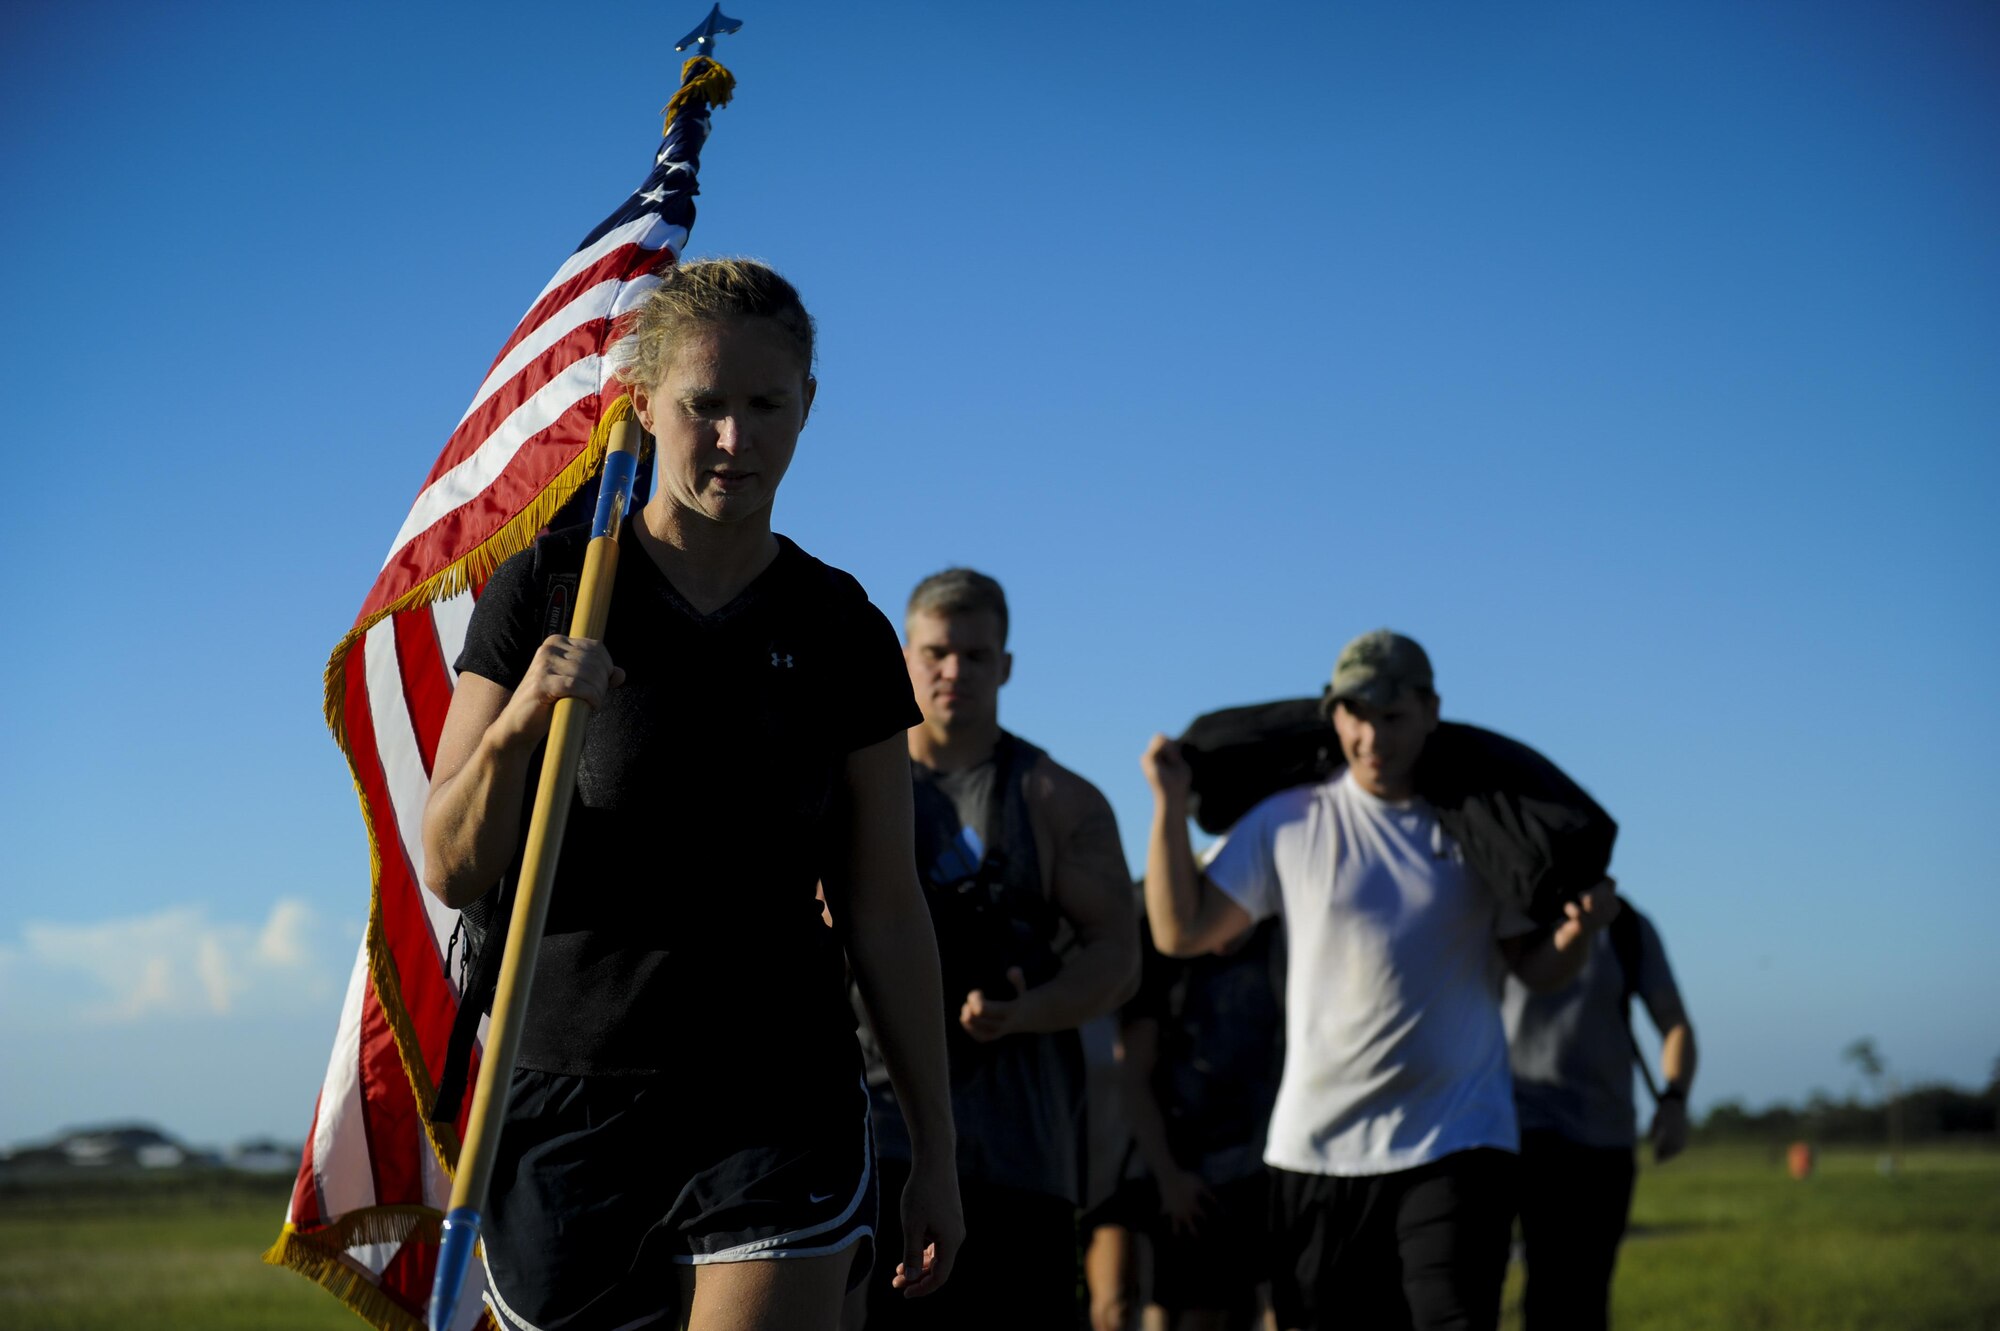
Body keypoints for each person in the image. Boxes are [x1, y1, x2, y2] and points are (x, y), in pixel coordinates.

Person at [420, 259, 963, 1331]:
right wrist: (526, 714)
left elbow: (884, 904)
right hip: (563, 1087)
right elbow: (450, 861)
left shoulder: (838, 623)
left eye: (764, 405)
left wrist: (936, 1150)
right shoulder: (547, 586)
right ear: (641, 407)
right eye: (702, 406)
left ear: (807, 403)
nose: (733, 438)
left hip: (777, 1089)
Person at [1139, 629, 1620, 1331]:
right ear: (1332, 715)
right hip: (1318, 1147)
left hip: (1458, 1135)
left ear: (1431, 711)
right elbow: (1180, 930)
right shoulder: (1290, 820)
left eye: (1392, 716)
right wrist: (1167, 807)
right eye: (1355, 715)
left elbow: (1537, 969)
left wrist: (1577, 931)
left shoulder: (1483, 828)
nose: (1371, 736)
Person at [852, 568, 1141, 1330]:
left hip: (1018, 1157)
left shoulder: (1057, 798)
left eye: (976, 656)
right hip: (874, 1141)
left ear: (1005, 665)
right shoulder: (845, 785)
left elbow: (1119, 955)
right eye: (938, 653)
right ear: (906, 655)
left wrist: (1029, 1009)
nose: (955, 671)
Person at [1503, 901, 1696, 1331]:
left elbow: (1674, 1023)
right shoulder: (1502, 908)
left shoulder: (1626, 925)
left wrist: (1674, 1101)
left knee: (1582, 1298)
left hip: (1601, 1139)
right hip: (1508, 1131)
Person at [1120, 905, 1285, 1331]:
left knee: (1281, 1308)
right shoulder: (1159, 942)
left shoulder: (1282, 932)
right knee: (1194, 1313)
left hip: (1274, 1170)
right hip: (1190, 1180)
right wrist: (1169, 1176)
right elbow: (1135, 1075)